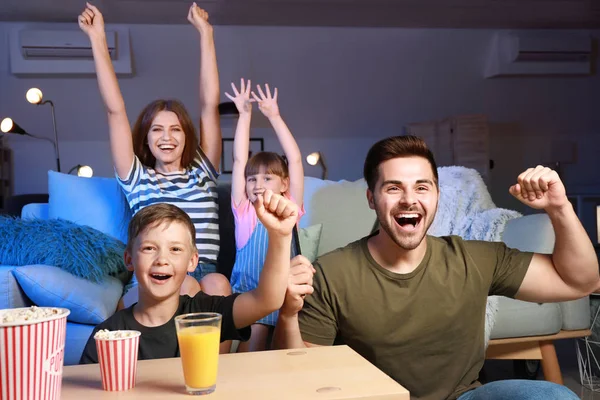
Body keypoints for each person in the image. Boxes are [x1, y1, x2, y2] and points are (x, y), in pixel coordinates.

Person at [273, 135, 599, 400]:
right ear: (372, 198)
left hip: (462, 398)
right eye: (393, 187)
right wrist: (288, 313)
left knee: (554, 397)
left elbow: (579, 283)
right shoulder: (332, 272)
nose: (409, 199)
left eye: (421, 187)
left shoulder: (474, 258)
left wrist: (560, 208)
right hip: (375, 398)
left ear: (437, 196)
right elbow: (297, 378)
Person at [78, 2, 226, 298]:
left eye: (175, 129)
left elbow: (210, 106)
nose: (166, 137)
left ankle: (210, 348)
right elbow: (115, 110)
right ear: (146, 139)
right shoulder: (137, 178)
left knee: (217, 284)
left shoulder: (202, 172)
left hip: (202, 268)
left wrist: (206, 33)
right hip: (156, 272)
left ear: (187, 137)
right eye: (156, 130)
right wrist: (98, 39)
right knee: (189, 286)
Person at [80, 191, 298, 363]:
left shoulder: (204, 314)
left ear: (192, 261)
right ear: (129, 260)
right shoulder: (107, 334)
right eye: (148, 248)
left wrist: (280, 235)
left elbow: (267, 300)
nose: (161, 259)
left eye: (175, 249)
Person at [225, 79, 305, 351]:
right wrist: (245, 115)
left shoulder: (290, 207)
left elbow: (294, 160)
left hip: (283, 296)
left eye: (267, 178)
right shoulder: (246, 211)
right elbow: (238, 160)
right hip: (248, 297)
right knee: (254, 338)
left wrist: (274, 116)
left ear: (284, 185)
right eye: (252, 179)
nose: (257, 185)